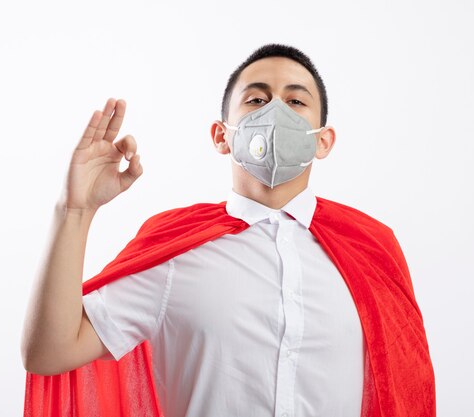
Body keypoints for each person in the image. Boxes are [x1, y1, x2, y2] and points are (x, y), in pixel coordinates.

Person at [21, 44, 435, 417]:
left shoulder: (371, 247)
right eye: (257, 99)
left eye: (295, 101)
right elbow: (50, 352)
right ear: (222, 136)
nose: (276, 112)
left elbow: (405, 386)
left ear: (322, 141)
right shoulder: (175, 251)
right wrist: (74, 211)